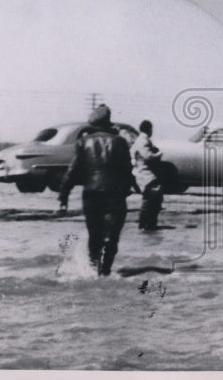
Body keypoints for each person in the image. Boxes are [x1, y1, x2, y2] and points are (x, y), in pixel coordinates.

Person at [58, 104, 139, 276]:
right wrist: (133, 187)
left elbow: (72, 171)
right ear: (108, 121)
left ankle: (93, 273)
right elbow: (126, 170)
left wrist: (63, 196)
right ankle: (105, 273)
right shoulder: (119, 141)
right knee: (111, 237)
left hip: (91, 195)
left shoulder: (82, 142)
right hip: (114, 195)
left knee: (94, 236)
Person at [131, 119, 165, 231]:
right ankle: (145, 224)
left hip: (145, 174)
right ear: (148, 129)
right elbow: (148, 156)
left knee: (152, 199)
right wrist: (158, 154)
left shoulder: (140, 140)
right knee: (151, 200)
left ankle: (148, 224)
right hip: (146, 175)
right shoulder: (143, 141)